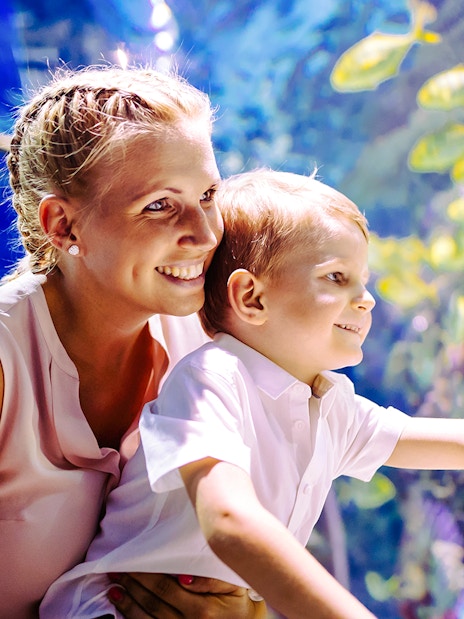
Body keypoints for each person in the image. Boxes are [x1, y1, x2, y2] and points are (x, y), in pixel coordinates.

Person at [40, 168, 464, 619]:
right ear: (251, 298)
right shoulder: (211, 380)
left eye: (364, 280)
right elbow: (228, 521)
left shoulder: (331, 405)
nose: (367, 299)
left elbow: (430, 440)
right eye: (337, 277)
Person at [0, 65, 266, 619]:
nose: (205, 233)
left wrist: (244, 611)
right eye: (159, 204)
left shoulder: (215, 335)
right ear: (63, 225)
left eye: (208, 195)